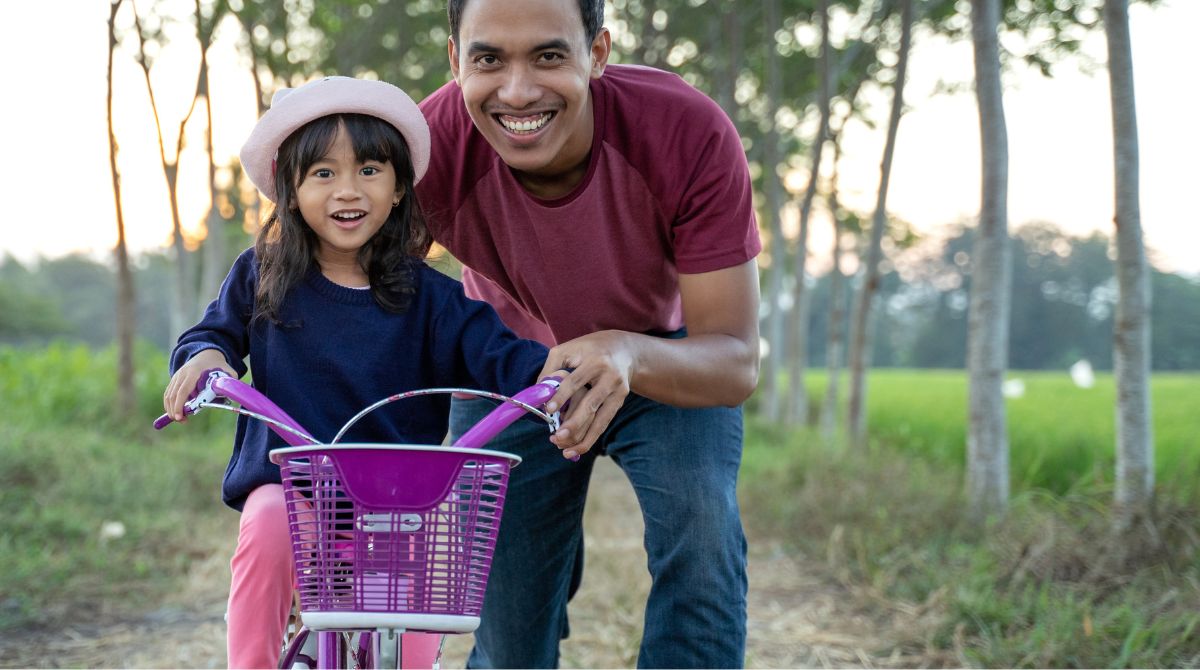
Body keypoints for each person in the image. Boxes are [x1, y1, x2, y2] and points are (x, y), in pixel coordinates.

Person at [161, 76, 580, 669]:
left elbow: (499, 356)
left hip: (400, 500)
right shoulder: (264, 275)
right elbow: (211, 336)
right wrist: (205, 359)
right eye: (322, 174)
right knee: (268, 523)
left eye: (369, 169)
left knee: (420, 605)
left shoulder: (432, 298)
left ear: (399, 184)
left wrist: (548, 380)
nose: (347, 190)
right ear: (290, 189)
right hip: (294, 485)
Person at [415, 0, 763, 666]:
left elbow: (737, 361)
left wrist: (625, 351)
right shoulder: (429, 149)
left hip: (665, 355)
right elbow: (359, 314)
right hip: (509, 371)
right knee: (508, 630)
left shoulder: (687, 131)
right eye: (489, 59)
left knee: (703, 532)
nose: (517, 91)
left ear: (597, 52)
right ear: (456, 60)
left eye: (549, 55)